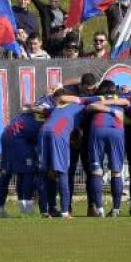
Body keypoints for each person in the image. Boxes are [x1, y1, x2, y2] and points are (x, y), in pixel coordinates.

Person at [0, 92, 55, 217]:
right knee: (28, 172)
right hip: (19, 138)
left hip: (8, 133)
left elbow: (29, 110)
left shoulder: (40, 104)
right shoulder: (51, 110)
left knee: (7, 173)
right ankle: (26, 209)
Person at [38, 88, 89, 218]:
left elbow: (39, 110)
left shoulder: (56, 108)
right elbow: (93, 105)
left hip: (43, 131)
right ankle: (65, 211)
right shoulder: (79, 106)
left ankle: (45, 211)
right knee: (62, 172)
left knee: (45, 172)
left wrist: (30, 108)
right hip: (58, 131)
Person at [84, 81, 131, 217]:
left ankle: (100, 209)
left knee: (96, 171)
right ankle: (116, 209)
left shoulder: (97, 98)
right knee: (116, 172)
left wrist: (105, 106)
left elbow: (88, 106)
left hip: (98, 128)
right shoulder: (122, 98)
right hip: (117, 130)